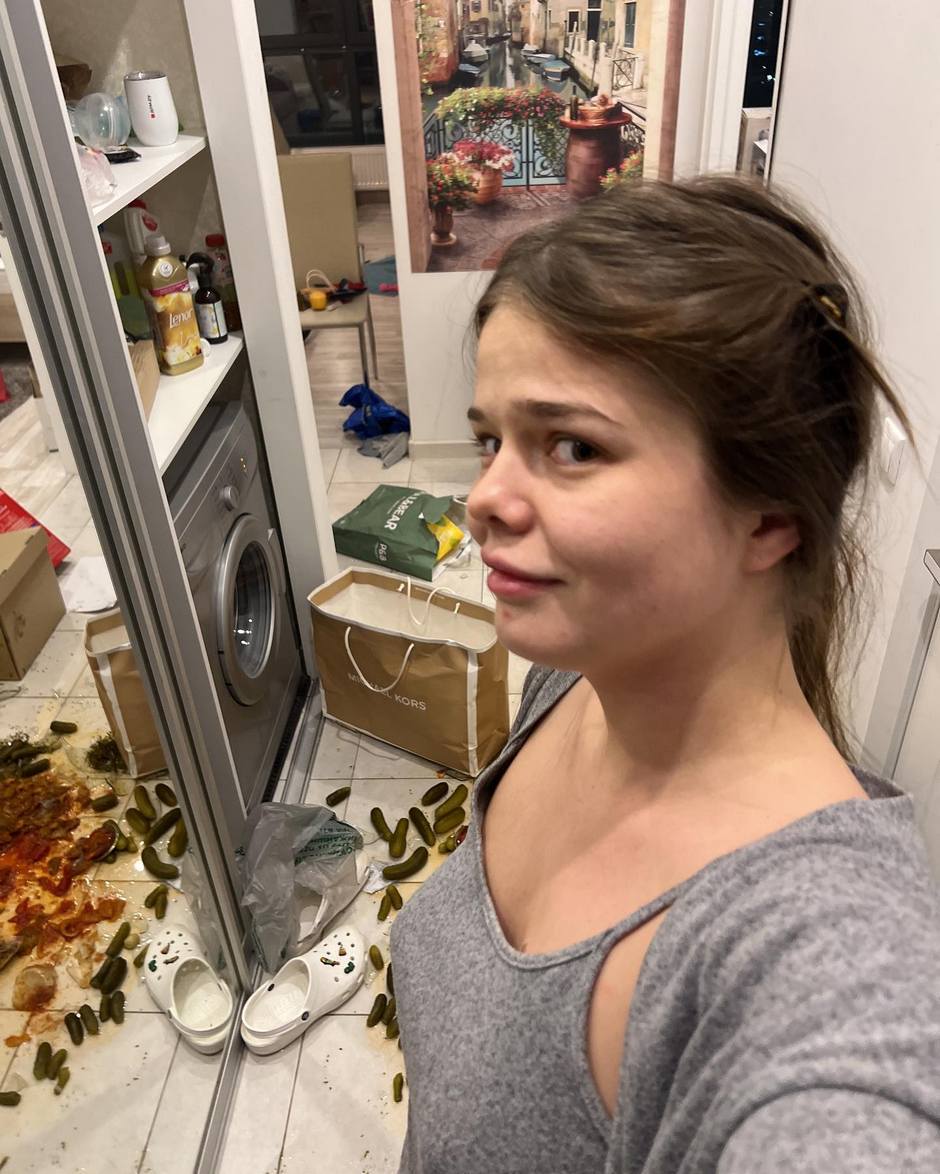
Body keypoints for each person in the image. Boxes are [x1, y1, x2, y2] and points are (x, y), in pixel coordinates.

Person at [389, 176, 940, 1172]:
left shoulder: (818, 949)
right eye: (489, 440)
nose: (483, 497)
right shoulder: (577, 676)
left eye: (571, 446)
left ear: (769, 520)